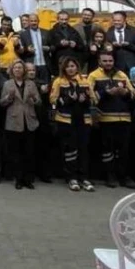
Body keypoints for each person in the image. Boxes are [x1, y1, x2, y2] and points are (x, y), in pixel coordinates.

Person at [88, 51, 135, 189]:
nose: (108, 63)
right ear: (99, 62)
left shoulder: (121, 75)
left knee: (124, 149)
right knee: (107, 149)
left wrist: (126, 93)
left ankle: (124, 176)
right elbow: (91, 97)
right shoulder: (93, 76)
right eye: (105, 61)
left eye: (110, 61)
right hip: (106, 118)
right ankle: (110, 175)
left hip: (124, 117)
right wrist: (105, 93)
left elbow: (133, 93)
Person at [51, 56, 94, 192]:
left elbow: (94, 100)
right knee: (70, 149)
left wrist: (85, 99)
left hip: (83, 120)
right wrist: (68, 99)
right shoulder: (59, 81)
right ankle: (72, 177)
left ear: (77, 67)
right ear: (64, 68)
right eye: (68, 66)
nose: (70, 69)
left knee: (84, 149)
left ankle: (84, 178)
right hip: (66, 120)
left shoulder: (85, 81)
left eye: (73, 66)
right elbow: (53, 100)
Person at [1, 61, 41, 190]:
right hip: (14, 121)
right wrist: (9, 97)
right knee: (16, 153)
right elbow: (2, 103)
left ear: (24, 70)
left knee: (29, 152)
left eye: (20, 68)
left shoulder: (31, 83)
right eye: (15, 68)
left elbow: (39, 102)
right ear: (12, 70)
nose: (18, 70)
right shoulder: (7, 84)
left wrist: (33, 99)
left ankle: (28, 180)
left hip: (29, 121)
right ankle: (18, 179)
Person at [46, 12, 85, 76]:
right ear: (57, 20)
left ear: (68, 20)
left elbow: (82, 47)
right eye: (62, 19)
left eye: (66, 19)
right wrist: (59, 44)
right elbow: (49, 48)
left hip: (73, 62)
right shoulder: (52, 32)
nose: (64, 21)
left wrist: (75, 45)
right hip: (59, 63)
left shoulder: (74, 31)